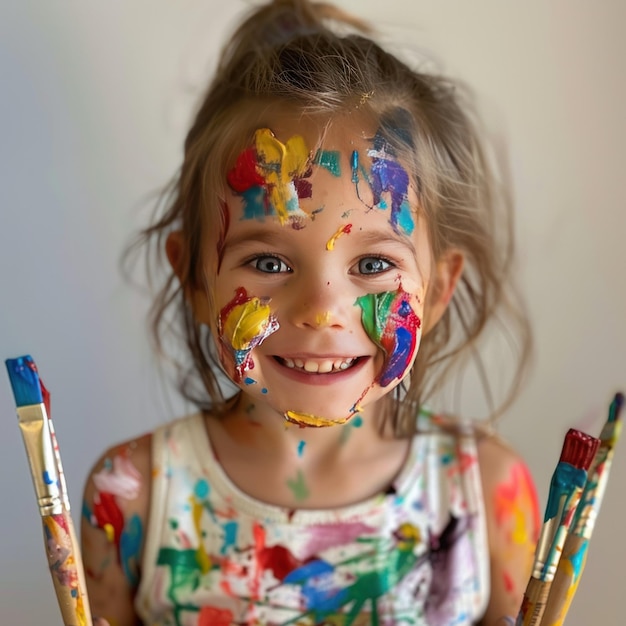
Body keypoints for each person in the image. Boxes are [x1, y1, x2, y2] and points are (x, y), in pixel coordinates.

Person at [81, 1, 540, 624]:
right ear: (194, 277)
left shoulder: (487, 492)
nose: (323, 311)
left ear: (436, 291)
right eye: (269, 264)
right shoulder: (131, 498)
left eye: (373, 266)